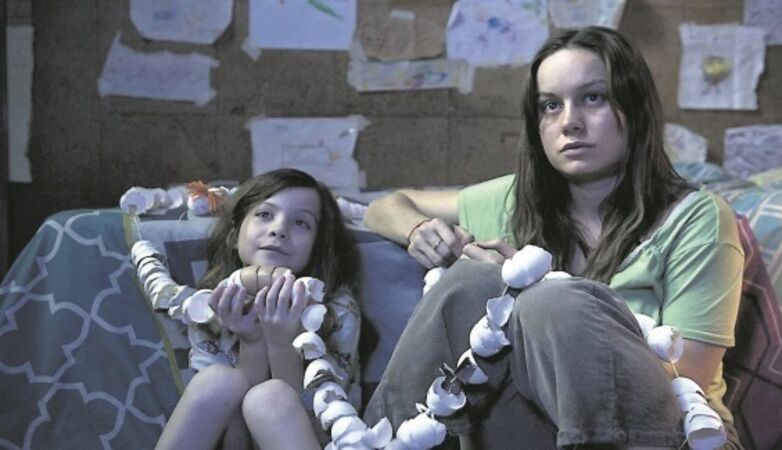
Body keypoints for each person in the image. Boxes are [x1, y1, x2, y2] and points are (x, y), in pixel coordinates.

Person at [363, 27, 743, 449]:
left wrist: (541, 296)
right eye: (550, 105)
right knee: (472, 280)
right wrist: (418, 230)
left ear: (634, 108)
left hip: (675, 432)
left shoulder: (696, 216)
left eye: (593, 98)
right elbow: (384, 206)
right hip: (536, 428)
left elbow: (688, 373)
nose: (570, 122)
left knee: (546, 299)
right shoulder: (513, 200)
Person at [153, 168, 361, 450]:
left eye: (301, 223)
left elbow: (320, 427)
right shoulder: (211, 305)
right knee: (217, 381)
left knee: (269, 398)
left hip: (311, 438)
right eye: (264, 214)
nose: (279, 229)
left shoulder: (336, 312)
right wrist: (252, 342)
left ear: (317, 247)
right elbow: (232, 424)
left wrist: (283, 345)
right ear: (234, 235)